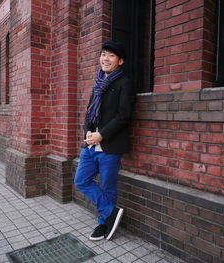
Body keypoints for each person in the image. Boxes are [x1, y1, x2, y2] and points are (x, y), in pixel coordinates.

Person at [74, 39, 136, 241]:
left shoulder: (124, 83)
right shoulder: (98, 82)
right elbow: (89, 112)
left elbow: (124, 115)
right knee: (81, 180)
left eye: (110, 55)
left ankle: (103, 224)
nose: (105, 58)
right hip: (91, 144)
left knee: (108, 187)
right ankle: (111, 212)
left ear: (120, 61)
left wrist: (102, 134)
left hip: (110, 144)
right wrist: (88, 134)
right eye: (103, 54)